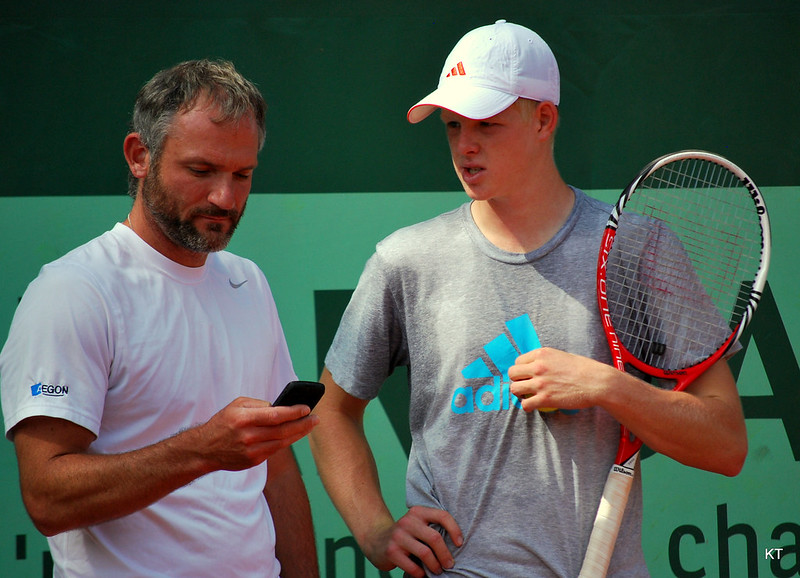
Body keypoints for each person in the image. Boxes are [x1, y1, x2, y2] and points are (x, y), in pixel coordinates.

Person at [308, 20, 747, 577]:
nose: (465, 146)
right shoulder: (405, 259)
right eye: (452, 126)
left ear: (544, 119)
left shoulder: (638, 249)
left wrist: (606, 386)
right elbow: (330, 410)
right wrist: (375, 531)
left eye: (487, 125)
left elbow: (726, 444)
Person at [0, 59, 320, 577]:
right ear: (139, 156)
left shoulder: (247, 282)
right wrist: (204, 449)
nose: (225, 197)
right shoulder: (73, 291)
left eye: (243, 175)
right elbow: (46, 497)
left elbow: (276, 467)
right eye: (201, 171)